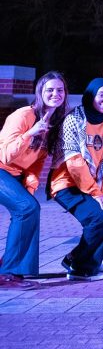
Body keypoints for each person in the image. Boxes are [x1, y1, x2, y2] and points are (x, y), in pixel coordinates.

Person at [50, 78, 103, 282]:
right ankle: (81, 269)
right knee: (99, 218)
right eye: (102, 95)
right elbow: (74, 161)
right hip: (67, 184)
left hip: (94, 185)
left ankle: (75, 259)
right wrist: (95, 192)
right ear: (91, 95)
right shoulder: (74, 119)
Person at [0, 72, 67, 288]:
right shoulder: (23, 116)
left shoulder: (54, 123)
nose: (55, 94)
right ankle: (9, 272)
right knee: (27, 209)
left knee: (30, 209)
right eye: (50, 90)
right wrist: (31, 133)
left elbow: (37, 161)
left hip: (16, 174)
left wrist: (30, 185)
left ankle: (21, 271)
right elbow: (6, 155)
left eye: (60, 90)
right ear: (40, 93)